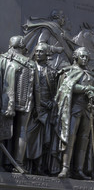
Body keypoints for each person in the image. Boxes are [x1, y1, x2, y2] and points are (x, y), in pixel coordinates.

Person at [56, 47, 94, 179]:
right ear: (76, 57)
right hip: (73, 109)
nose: (85, 59)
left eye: (87, 57)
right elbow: (67, 87)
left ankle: (79, 170)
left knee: (84, 140)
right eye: (82, 56)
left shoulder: (92, 75)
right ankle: (65, 168)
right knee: (70, 137)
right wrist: (86, 88)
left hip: (89, 111)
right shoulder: (69, 71)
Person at [0, 35, 36, 172]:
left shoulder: (2, 59)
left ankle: (9, 163)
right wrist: (38, 106)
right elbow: (36, 88)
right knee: (21, 131)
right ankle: (19, 163)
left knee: (9, 131)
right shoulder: (31, 64)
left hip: (5, 102)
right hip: (26, 102)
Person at [26, 43, 57, 175]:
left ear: (46, 55)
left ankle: (40, 167)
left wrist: (51, 102)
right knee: (29, 138)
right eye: (37, 51)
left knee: (45, 139)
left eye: (41, 52)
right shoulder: (28, 68)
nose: (38, 53)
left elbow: (56, 92)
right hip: (32, 109)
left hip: (46, 110)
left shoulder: (51, 71)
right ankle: (27, 165)